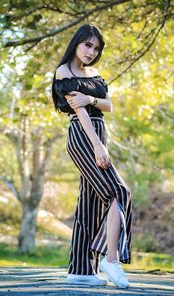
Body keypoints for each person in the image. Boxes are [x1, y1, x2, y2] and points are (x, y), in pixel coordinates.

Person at [52, 24, 132, 289]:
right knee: (118, 192)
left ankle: (81, 269)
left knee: (90, 202)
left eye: (96, 48)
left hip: (99, 131)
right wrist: (98, 146)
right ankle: (111, 258)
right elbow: (81, 111)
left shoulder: (95, 74)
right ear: (77, 42)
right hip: (83, 134)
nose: (91, 51)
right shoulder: (65, 71)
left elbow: (108, 105)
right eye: (87, 44)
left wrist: (90, 98)